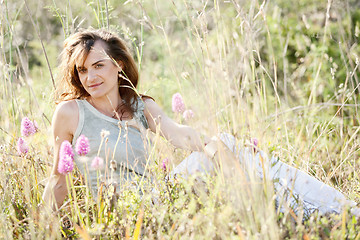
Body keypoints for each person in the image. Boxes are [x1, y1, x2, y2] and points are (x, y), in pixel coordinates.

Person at [42, 28, 359, 218]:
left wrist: (217, 149)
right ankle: (330, 213)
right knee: (227, 149)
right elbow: (58, 178)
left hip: (159, 197)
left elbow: (180, 135)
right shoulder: (71, 113)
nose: (91, 77)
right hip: (123, 211)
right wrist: (40, 228)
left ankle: (336, 211)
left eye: (98, 65)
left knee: (230, 147)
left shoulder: (140, 106)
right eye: (82, 70)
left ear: (118, 64)